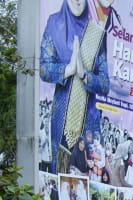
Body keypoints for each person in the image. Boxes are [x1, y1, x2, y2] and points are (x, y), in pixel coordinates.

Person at [38, 0, 113, 173]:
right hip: (61, 117)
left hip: (89, 121)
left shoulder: (97, 33)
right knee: (62, 174)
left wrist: (83, 74)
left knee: (92, 175)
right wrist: (68, 69)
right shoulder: (54, 24)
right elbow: (43, 69)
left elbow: (105, 83)